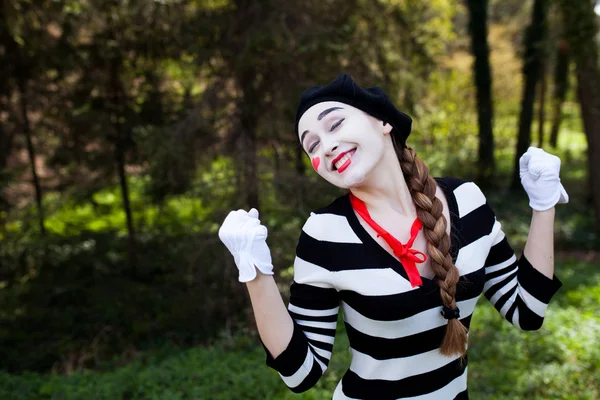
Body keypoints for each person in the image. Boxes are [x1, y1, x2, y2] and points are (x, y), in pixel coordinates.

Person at [218, 74, 569, 399]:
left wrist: (543, 205)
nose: (324, 147)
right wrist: (255, 272)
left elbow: (527, 310)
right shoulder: (324, 235)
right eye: (312, 146)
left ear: (383, 121)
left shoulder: (468, 201)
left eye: (335, 124)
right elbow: (301, 373)